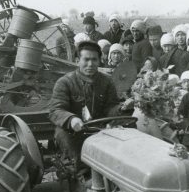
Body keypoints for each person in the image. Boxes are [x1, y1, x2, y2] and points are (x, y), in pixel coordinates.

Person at [49, 41, 133, 171]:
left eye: (94, 59)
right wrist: (72, 119)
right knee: (62, 133)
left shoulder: (106, 82)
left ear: (100, 61)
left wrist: (121, 109)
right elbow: (56, 110)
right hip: (74, 132)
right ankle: (82, 173)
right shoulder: (65, 82)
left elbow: (110, 107)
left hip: (100, 129)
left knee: (129, 126)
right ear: (77, 61)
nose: (90, 64)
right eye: (86, 59)